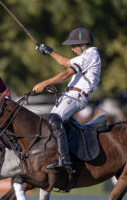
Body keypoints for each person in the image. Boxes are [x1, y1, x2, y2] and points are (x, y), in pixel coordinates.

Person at [33, 27, 101, 170]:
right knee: (49, 123)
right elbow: (66, 63)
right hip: (71, 95)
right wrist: (49, 50)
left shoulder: (90, 55)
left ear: (83, 45)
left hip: (77, 96)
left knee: (53, 120)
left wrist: (44, 83)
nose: (72, 49)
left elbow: (65, 72)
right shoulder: (87, 55)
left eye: (74, 46)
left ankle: (64, 160)